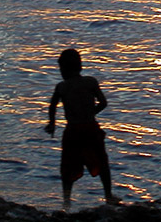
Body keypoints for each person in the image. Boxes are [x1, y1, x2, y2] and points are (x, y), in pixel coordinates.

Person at [45, 48, 118, 209]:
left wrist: (52, 123)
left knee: (67, 165)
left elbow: (52, 106)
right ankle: (108, 195)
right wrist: (90, 113)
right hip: (91, 127)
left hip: (73, 130)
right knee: (102, 161)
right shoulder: (90, 82)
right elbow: (103, 103)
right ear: (80, 66)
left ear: (63, 69)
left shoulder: (62, 87)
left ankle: (66, 200)